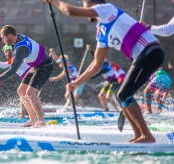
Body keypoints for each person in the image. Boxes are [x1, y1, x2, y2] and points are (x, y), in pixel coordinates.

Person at [46, 0, 165, 143]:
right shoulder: (102, 29)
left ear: (90, 4)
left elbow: (71, 11)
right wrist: (76, 82)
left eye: (83, 4)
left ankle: (147, 136)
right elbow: (96, 64)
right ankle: (139, 136)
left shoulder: (107, 9)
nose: (83, 9)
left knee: (124, 94)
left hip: (150, 52)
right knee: (122, 95)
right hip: (143, 55)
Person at [0, 25, 54, 128]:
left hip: (45, 66)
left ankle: (41, 122)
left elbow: (12, 70)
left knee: (30, 92)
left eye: (3, 38)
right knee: (21, 91)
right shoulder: (15, 37)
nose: (2, 41)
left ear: (9, 36)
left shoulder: (21, 49)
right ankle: (32, 120)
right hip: (36, 66)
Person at [0, 45, 32, 118]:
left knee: (24, 94)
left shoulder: (17, 58)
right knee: (23, 94)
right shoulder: (13, 59)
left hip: (31, 77)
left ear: (10, 51)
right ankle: (25, 114)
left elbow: (10, 71)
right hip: (26, 78)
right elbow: (5, 65)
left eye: (6, 52)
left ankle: (28, 115)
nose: (5, 54)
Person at [87, 45, 119, 112]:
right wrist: (90, 50)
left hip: (114, 82)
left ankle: (118, 110)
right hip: (108, 82)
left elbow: (96, 74)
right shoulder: (102, 61)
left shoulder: (105, 67)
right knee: (101, 95)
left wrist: (85, 78)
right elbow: (96, 58)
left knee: (108, 97)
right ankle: (106, 109)